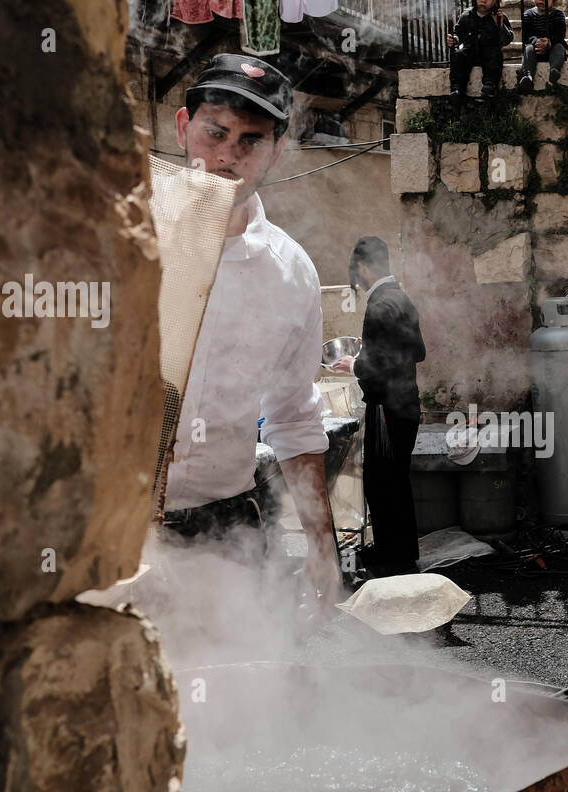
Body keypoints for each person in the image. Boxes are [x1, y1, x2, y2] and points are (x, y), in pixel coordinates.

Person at [162, 53, 341, 605]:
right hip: (108, 523)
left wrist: (322, 544)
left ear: (276, 150)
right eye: (216, 131)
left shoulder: (290, 274)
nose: (227, 156)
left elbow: (293, 415)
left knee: (237, 685)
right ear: (183, 127)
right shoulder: (120, 238)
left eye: (251, 141)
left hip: (230, 530)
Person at [331, 237, 426, 577]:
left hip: (387, 407)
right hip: (406, 405)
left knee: (380, 482)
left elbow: (387, 361)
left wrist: (354, 364)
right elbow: (415, 351)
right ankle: (401, 551)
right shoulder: (399, 297)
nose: (356, 280)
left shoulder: (379, 304)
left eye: (356, 273)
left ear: (364, 267)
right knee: (395, 479)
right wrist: (367, 349)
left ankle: (391, 556)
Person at [446, 0, 514, 101]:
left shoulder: (499, 16)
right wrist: (454, 39)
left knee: (495, 54)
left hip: (489, 53)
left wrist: (499, 25)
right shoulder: (466, 15)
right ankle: (457, 89)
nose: (483, 1)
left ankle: (489, 86)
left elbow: (507, 40)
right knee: (459, 55)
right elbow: (458, 33)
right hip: (470, 51)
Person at [517, 0, 568, 92]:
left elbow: (560, 34)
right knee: (528, 49)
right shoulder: (528, 14)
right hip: (536, 48)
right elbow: (526, 35)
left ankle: (554, 69)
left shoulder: (558, 14)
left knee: (559, 47)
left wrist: (548, 42)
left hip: (553, 47)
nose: (541, 1)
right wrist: (536, 41)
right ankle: (528, 76)